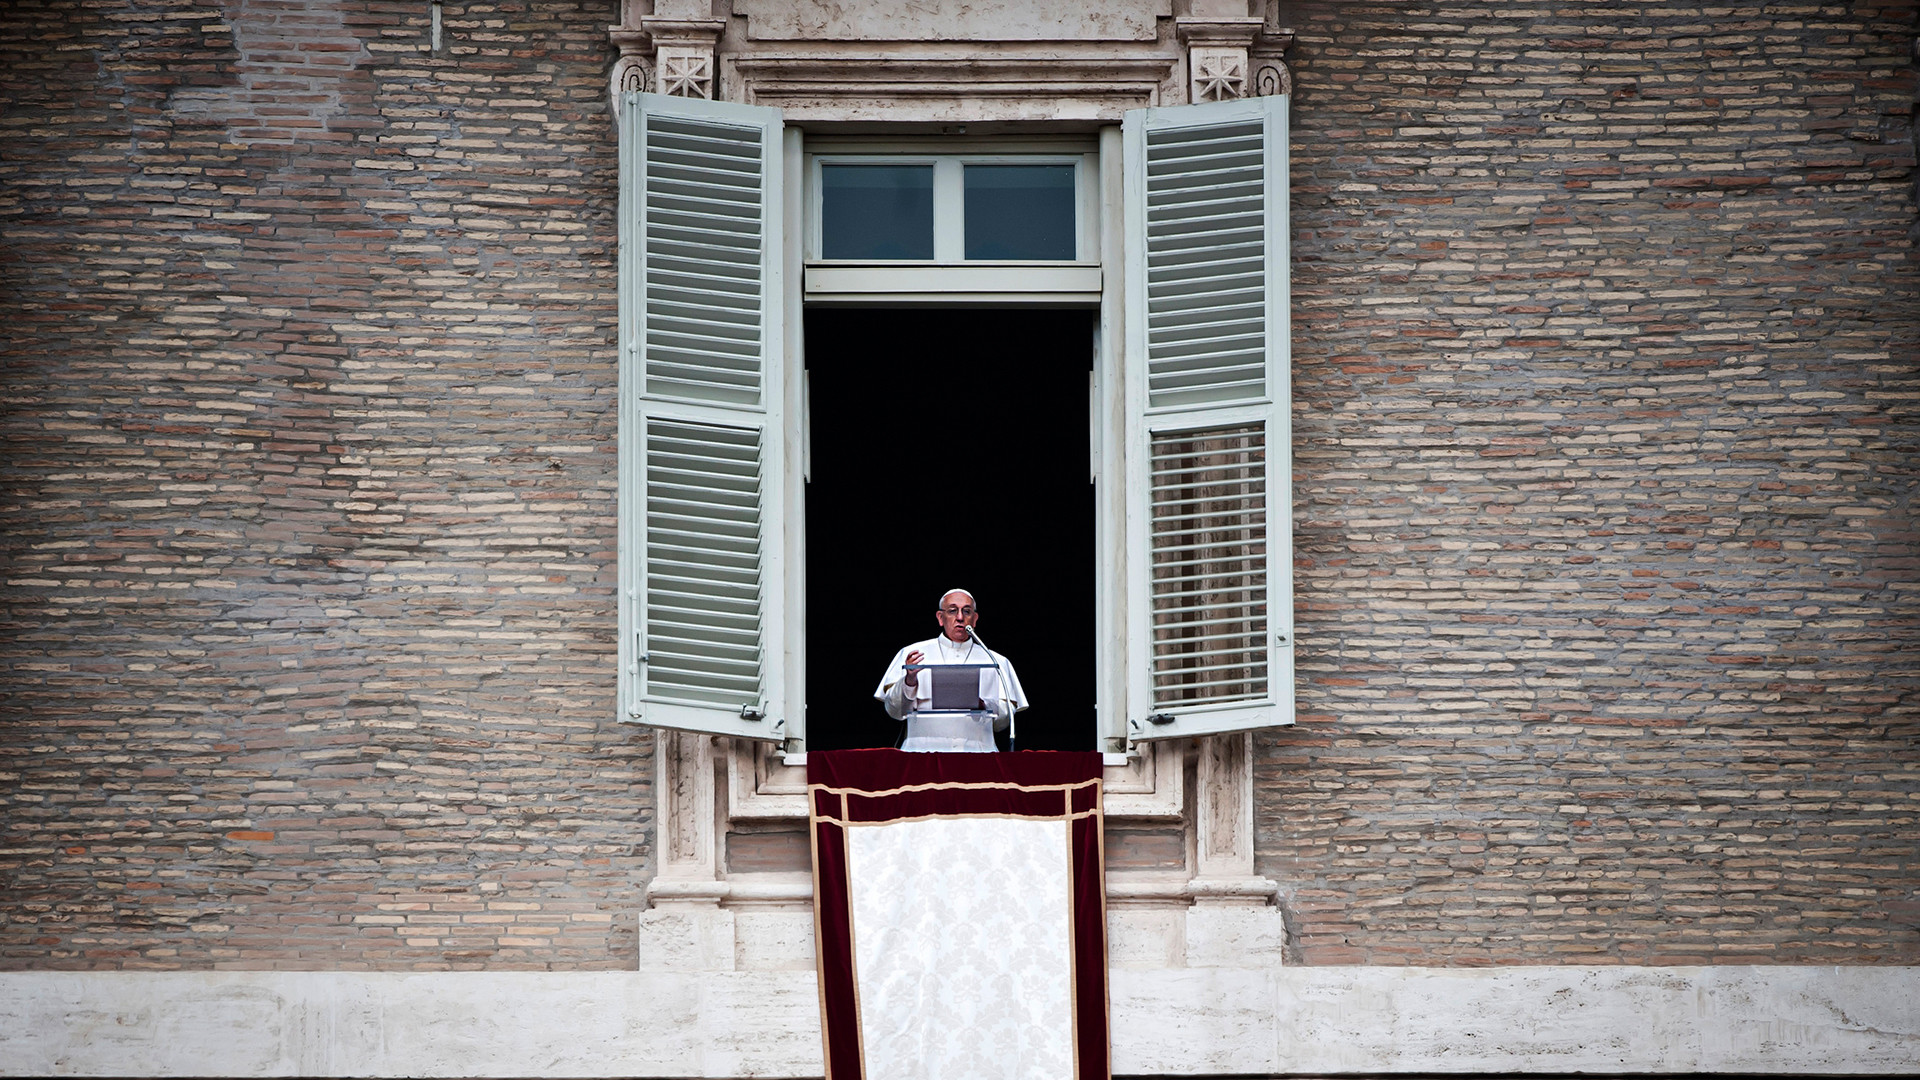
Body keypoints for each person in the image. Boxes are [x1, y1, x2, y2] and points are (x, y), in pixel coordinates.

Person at [873, 588, 1029, 752]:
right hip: (920, 753)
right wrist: (909, 682)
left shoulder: (996, 661)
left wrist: (983, 705)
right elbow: (895, 712)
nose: (960, 617)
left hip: (979, 754)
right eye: (953, 611)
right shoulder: (911, 653)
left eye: (967, 611)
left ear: (975, 619)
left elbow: (1003, 723)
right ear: (940, 618)